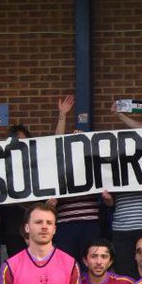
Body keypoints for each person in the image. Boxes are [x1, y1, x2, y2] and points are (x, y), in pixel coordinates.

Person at [51, 95, 102, 262]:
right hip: (65, 222)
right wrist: (62, 115)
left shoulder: (92, 164)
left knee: (90, 264)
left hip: (90, 221)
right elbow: (57, 144)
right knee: (67, 265)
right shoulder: (61, 164)